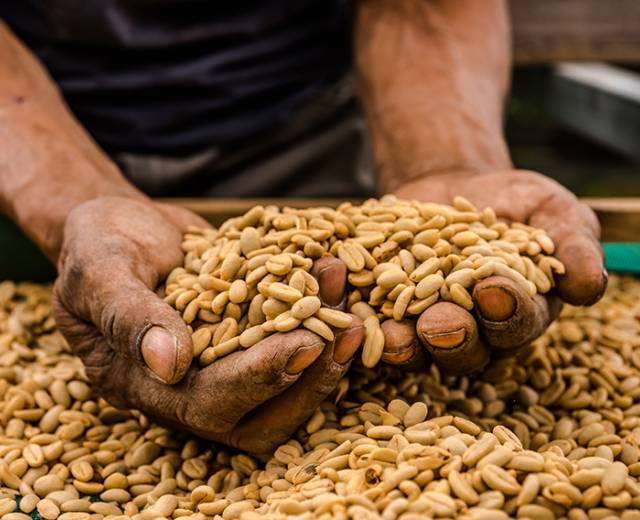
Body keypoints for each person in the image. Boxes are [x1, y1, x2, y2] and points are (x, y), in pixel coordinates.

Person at [0, 0, 606, 457]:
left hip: (306, 120)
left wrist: (448, 166)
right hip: (22, 137)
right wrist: (73, 196)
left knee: (351, 316)